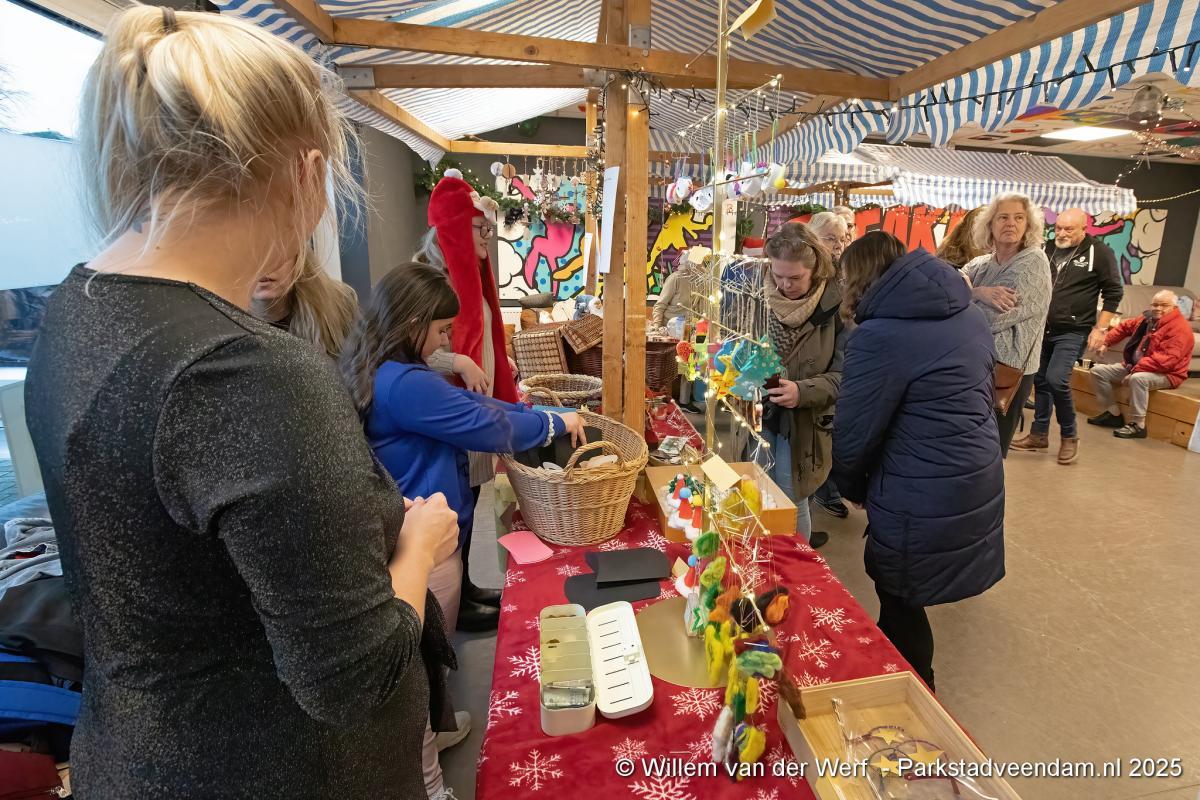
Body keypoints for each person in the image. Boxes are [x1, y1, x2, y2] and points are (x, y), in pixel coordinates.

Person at [23, 7, 460, 799]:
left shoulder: (74, 310)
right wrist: (421, 547)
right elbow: (353, 678)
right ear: (307, 172)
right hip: (275, 770)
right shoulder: (248, 372)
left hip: (134, 756)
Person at [340, 261, 585, 797]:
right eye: (442, 330)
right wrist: (551, 421)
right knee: (417, 672)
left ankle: (438, 728)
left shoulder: (382, 369)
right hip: (421, 545)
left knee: (427, 666)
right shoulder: (404, 384)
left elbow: (472, 404)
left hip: (406, 533)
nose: (446, 342)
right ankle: (431, 784)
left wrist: (533, 411)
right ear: (413, 323)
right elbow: (481, 423)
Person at [833, 232, 1004, 691]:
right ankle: (898, 671)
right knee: (903, 594)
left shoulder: (880, 336)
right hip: (974, 470)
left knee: (899, 593)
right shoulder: (967, 313)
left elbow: (856, 429)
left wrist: (851, 485)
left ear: (857, 279)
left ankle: (916, 693)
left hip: (921, 483)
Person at [414, 172, 519, 631]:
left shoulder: (471, 274)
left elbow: (481, 331)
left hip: (473, 403)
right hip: (450, 408)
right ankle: (453, 601)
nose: (486, 237)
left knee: (472, 496)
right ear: (456, 227)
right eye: (480, 228)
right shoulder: (428, 281)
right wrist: (459, 360)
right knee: (454, 501)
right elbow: (415, 348)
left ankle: (469, 586)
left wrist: (498, 362)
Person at [1010, 208, 1123, 463]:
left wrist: (1100, 329)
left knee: (1056, 379)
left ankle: (1070, 436)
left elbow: (1113, 292)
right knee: (1040, 380)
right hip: (1042, 327)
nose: (1061, 233)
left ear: (1084, 229)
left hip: (1073, 330)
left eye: (1068, 229)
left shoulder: (1099, 253)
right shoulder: (1046, 248)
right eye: (1058, 228)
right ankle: (1039, 434)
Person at [758, 223, 846, 549]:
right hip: (761, 413)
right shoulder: (759, 297)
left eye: (795, 278)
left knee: (792, 497)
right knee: (760, 490)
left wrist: (802, 391)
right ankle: (770, 559)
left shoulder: (837, 307)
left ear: (815, 270)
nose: (785, 285)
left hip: (805, 423)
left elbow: (847, 376)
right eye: (778, 275)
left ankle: (797, 566)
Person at [963, 194, 1053, 456]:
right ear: (990, 224)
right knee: (968, 448)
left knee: (989, 451)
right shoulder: (982, 264)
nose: (1011, 223)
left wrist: (964, 299)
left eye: (1019, 218)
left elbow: (993, 318)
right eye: (1003, 217)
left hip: (1007, 371)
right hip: (975, 367)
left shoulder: (1033, 262)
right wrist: (978, 292)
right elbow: (948, 287)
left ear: (1028, 225)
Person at [1087, 290, 1193, 439]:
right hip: (1136, 367)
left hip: (1167, 374)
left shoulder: (1180, 328)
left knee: (1138, 379)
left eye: (1164, 305)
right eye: (1155, 304)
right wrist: (1106, 342)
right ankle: (1113, 414)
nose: (1158, 308)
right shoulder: (1147, 319)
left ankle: (1138, 425)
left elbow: (1166, 361)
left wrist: (1135, 371)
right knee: (1098, 371)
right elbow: (1125, 327)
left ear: (1174, 308)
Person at [807, 211, 851, 520]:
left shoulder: (843, 275)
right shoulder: (808, 275)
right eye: (831, 238)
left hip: (836, 359)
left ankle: (824, 489)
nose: (838, 245)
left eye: (842, 239)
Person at [251, 249, 358, 357]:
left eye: (276, 252)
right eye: (249, 254)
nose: (264, 266)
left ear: (299, 256)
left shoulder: (340, 306)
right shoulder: (240, 330)